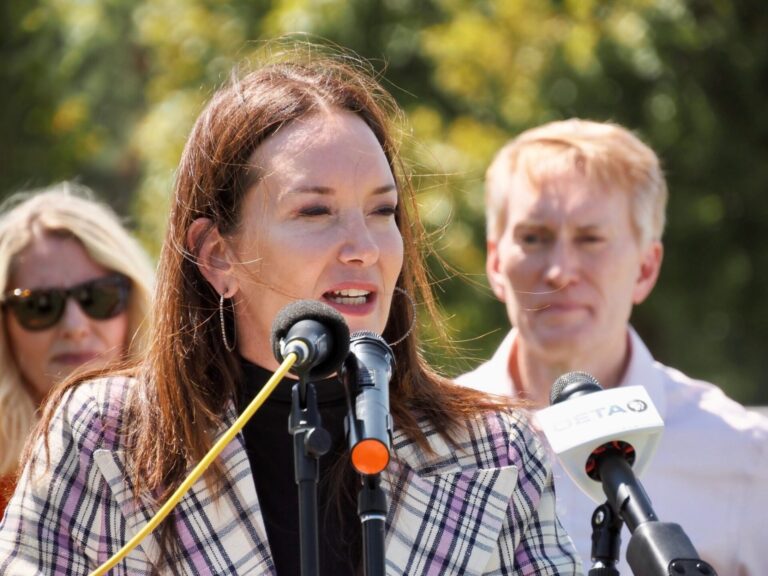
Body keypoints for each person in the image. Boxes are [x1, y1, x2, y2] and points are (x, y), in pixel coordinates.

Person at [0, 47, 581, 575]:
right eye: (314, 212)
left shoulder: (498, 451)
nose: (364, 247)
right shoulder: (106, 433)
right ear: (217, 256)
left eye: (382, 211)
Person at [458, 118, 768, 575]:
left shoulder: (741, 454)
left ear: (646, 268)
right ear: (496, 263)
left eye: (591, 239)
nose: (560, 271)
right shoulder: (428, 439)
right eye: (533, 238)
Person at [0, 182, 155, 519]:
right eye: (41, 305)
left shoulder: (196, 445)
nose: (75, 326)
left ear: (135, 303)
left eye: (98, 297)